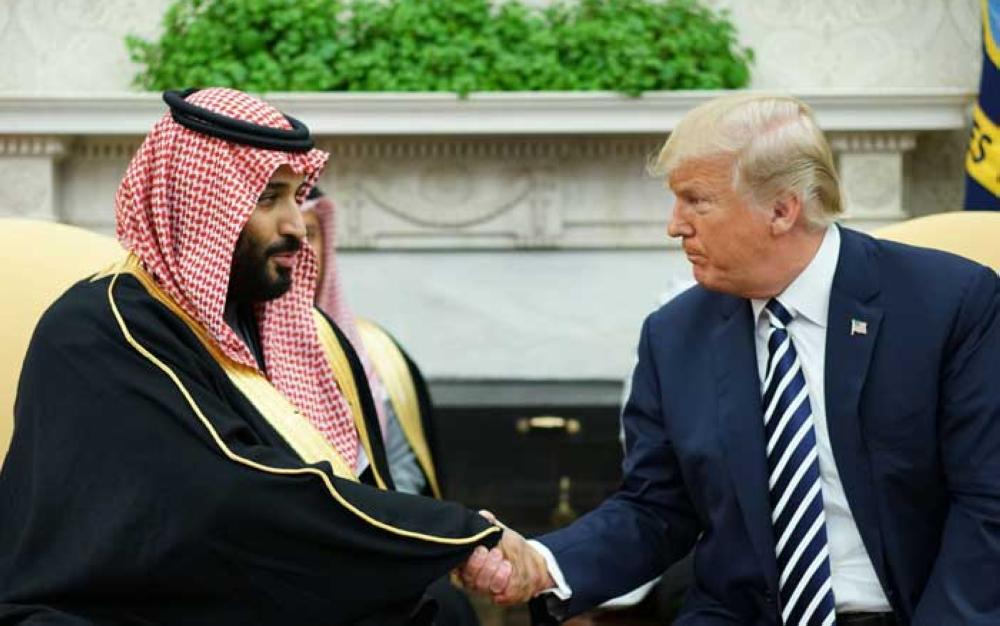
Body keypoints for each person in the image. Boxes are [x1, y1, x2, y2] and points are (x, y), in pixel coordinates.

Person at [461, 94, 1000, 625]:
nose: (675, 226)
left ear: (782, 210)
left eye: (696, 200)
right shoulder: (674, 335)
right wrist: (542, 563)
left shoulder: (947, 305)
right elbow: (654, 509)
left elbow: (987, 505)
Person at [0, 87, 502, 625]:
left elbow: (342, 486)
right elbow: (237, 493)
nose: (294, 227)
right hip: (111, 611)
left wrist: (441, 546)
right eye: (268, 199)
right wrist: (455, 532)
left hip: (222, 589)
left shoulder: (272, 328)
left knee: (434, 608)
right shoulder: (106, 329)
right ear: (199, 209)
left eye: (295, 196)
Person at [301, 187, 477, 625]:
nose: (299, 248)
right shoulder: (228, 350)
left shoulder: (374, 353)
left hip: (374, 538)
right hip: (284, 554)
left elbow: (402, 471)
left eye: (310, 233)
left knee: (445, 607)